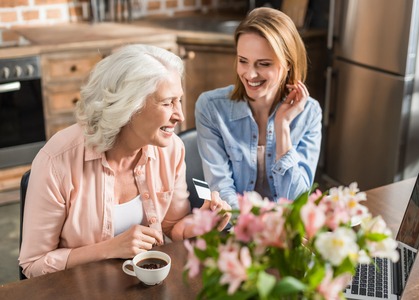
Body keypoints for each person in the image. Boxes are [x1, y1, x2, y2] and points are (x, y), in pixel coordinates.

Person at [19, 44, 231, 278]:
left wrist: (204, 223)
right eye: (167, 102)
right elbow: (34, 265)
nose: (180, 115)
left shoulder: (171, 149)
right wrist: (109, 249)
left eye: (179, 100)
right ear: (129, 106)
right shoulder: (57, 162)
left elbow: (173, 228)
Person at [195, 7, 322, 209]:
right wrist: (252, 229)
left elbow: (298, 201)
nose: (250, 74)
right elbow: (222, 191)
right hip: (235, 230)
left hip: (286, 230)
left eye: (263, 64)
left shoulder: (309, 113)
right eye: (243, 61)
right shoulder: (211, 108)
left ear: (288, 63)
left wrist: (282, 127)